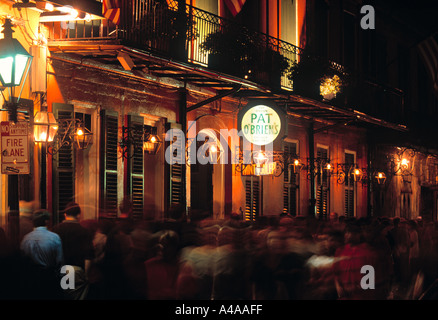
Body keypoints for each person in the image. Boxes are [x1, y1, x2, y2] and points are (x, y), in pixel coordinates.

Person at [53, 202, 94, 299]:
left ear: (65, 214)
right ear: (79, 215)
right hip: (75, 271)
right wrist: (86, 275)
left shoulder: (55, 230)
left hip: (59, 269)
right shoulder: (84, 231)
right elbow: (88, 256)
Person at [20, 209, 64, 299]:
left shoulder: (26, 238)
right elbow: (59, 261)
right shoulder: (54, 237)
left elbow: (22, 259)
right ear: (46, 221)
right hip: (49, 277)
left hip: (31, 278)